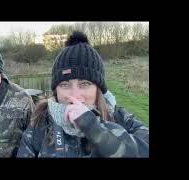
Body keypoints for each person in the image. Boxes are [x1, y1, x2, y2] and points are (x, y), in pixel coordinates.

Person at [17, 32, 149, 158]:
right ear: (55, 90)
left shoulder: (120, 119)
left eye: (84, 84)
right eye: (65, 84)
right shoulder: (40, 122)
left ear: (98, 89)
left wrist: (93, 128)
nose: (75, 96)